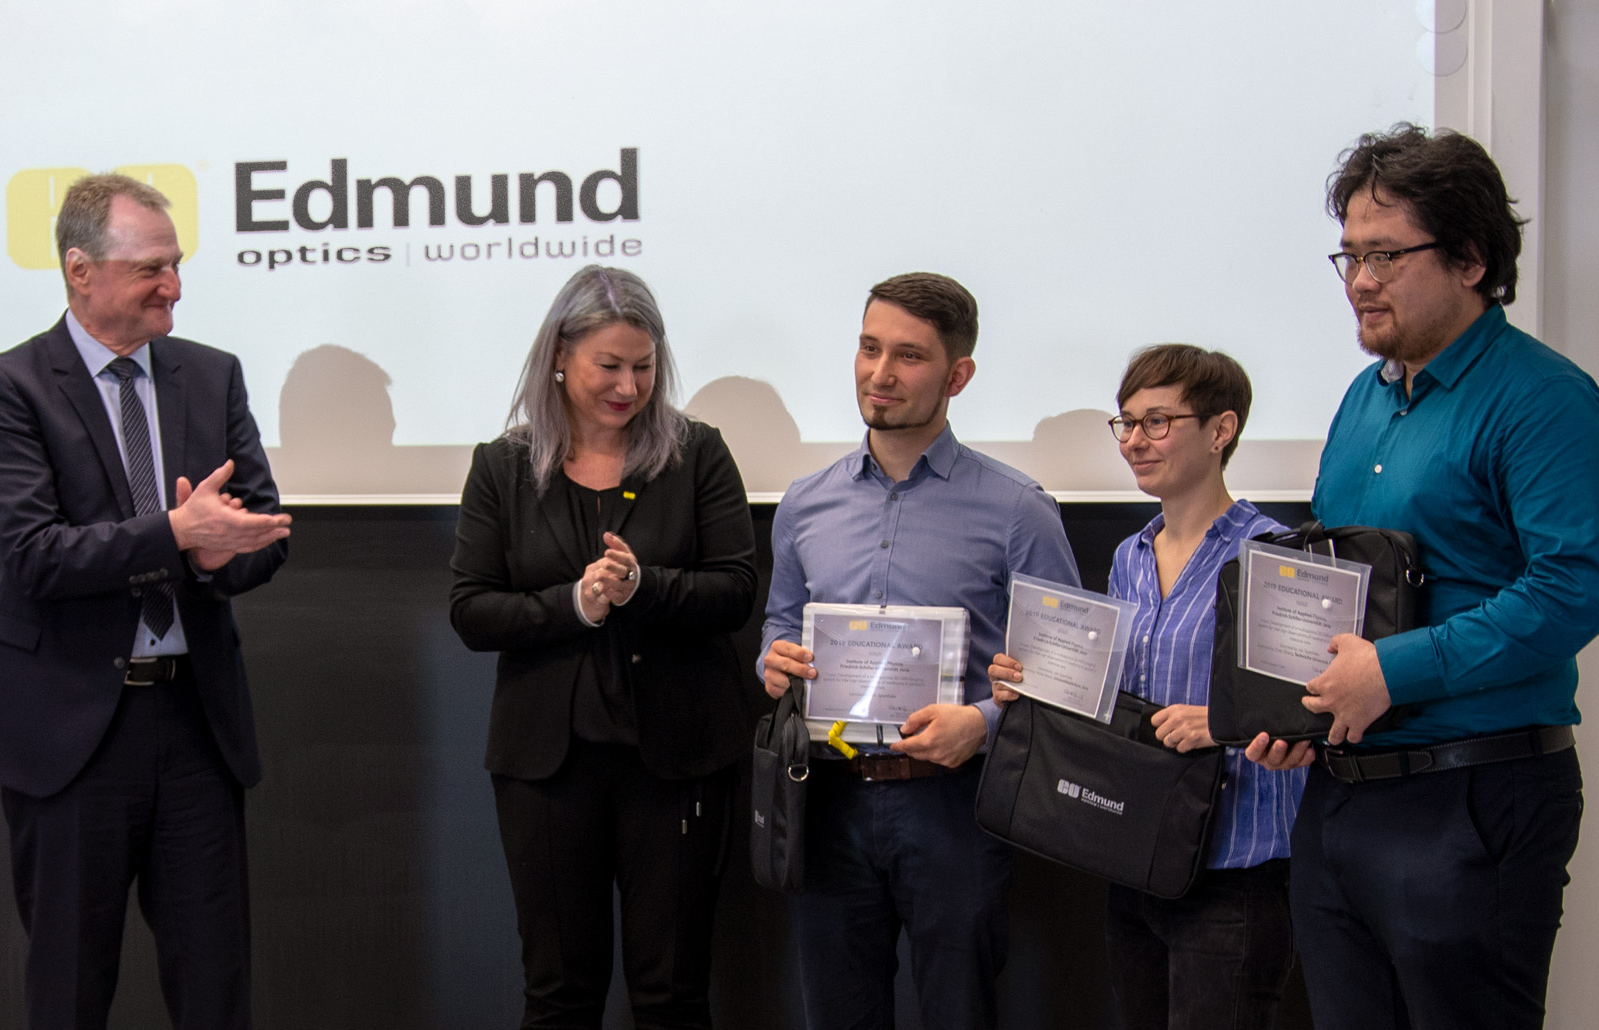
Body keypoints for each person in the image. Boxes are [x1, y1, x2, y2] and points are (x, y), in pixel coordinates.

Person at [1245, 124, 1599, 1029]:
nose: (1361, 281)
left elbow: (1571, 588)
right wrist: (1290, 707)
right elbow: (1336, 573)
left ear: (1469, 257)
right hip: (1340, 800)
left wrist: (1391, 673)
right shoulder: (1363, 398)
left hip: (1471, 797)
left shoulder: (1543, 399)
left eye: (1385, 255)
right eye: (1349, 255)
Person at [0, 173, 293, 1029]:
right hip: (68, 734)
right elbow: (34, 557)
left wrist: (219, 555)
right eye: (151, 269)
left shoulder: (213, 377)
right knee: (68, 989)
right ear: (79, 270)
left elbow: (261, 534)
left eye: (176, 264)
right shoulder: (9, 387)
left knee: (215, 988)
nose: (174, 285)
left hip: (194, 729)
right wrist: (177, 535)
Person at [759, 271, 1081, 1029]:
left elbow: (1069, 672)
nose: (880, 373)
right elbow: (778, 626)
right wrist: (771, 662)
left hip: (956, 805)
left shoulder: (1018, 510)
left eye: (907, 356)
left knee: (960, 1014)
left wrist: (984, 723)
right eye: (870, 348)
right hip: (827, 797)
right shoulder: (806, 503)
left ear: (957, 375)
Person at [448, 265, 757, 1029]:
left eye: (644, 367)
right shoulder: (503, 466)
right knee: (558, 992)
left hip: (679, 758)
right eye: (609, 366)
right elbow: (472, 611)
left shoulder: (698, 454)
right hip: (548, 769)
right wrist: (576, 605)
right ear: (560, 354)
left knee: (673, 991)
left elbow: (735, 592)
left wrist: (642, 588)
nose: (629, 386)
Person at [991, 345, 1305, 1030]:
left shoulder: (1276, 554)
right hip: (1136, 857)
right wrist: (1035, 686)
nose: (1134, 441)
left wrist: (1220, 721)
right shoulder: (1131, 556)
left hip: (1233, 872)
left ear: (1220, 430)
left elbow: (1306, 710)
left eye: (1157, 422)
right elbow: (1111, 700)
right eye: (1126, 423)